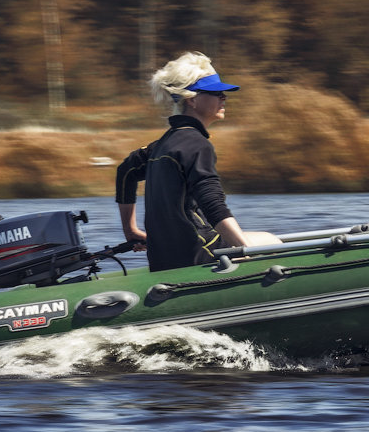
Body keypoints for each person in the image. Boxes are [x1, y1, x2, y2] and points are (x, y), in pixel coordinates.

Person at [114, 52, 280, 272]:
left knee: (264, 239)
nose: (224, 97)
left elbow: (125, 171)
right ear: (192, 99)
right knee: (273, 243)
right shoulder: (196, 144)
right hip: (200, 254)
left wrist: (131, 231)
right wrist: (244, 249)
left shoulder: (163, 144)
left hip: (162, 258)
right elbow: (212, 204)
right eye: (216, 92)